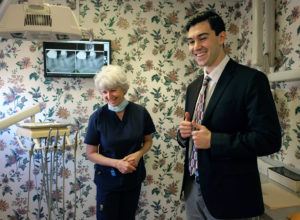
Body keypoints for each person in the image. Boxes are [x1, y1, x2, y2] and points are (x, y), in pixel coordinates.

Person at [177, 11, 281, 220]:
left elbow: (269, 140)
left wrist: (214, 140)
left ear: (222, 37)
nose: (195, 47)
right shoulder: (193, 87)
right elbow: (193, 139)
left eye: (203, 38)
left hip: (231, 198)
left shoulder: (251, 80)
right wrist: (183, 135)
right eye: (191, 41)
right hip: (192, 191)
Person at [85, 65, 156, 220]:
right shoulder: (97, 117)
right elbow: (90, 153)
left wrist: (139, 154)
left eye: (113, 90)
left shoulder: (140, 113)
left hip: (133, 179)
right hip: (107, 181)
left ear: (123, 88)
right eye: (104, 92)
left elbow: (148, 142)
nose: (109, 95)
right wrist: (117, 164)